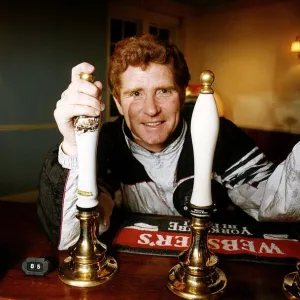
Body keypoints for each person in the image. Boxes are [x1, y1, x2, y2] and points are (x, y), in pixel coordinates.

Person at [37, 34, 300, 250]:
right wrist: (73, 146)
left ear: (182, 94)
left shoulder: (220, 135)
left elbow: (275, 205)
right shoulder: (105, 143)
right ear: (118, 102)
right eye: (135, 93)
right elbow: (71, 239)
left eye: (164, 91)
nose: (151, 109)